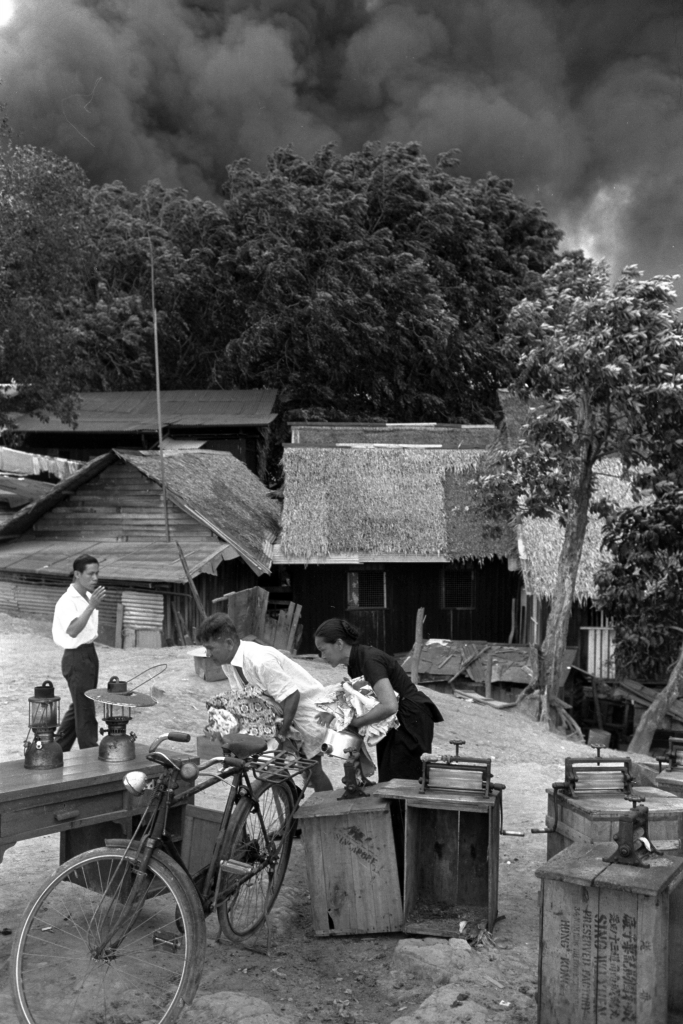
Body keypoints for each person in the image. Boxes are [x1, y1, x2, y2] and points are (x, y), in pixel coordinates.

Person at [196, 613, 333, 792]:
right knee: (270, 770)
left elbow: (292, 696)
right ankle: (290, 810)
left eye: (210, 648)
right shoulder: (228, 662)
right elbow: (244, 699)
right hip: (276, 712)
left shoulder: (260, 661)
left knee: (312, 772)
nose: (207, 654)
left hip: (306, 712)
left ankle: (326, 814)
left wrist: (281, 736)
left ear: (229, 643)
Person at [314, 618, 443, 783]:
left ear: (339, 643)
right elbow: (364, 699)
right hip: (394, 721)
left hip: (410, 718)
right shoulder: (355, 662)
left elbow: (389, 705)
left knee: (403, 784)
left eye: (323, 650)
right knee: (389, 779)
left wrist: (356, 722)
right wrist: (335, 713)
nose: (322, 656)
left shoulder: (369, 660)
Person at [52, 554, 106, 751]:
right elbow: (73, 630)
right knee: (85, 709)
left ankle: (57, 748)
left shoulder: (89, 597)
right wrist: (91, 607)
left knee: (80, 704)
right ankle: (90, 750)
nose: (95, 578)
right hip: (75, 656)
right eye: (90, 574)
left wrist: (91, 604)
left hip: (89, 653)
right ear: (77, 574)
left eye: (97, 574)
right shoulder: (67, 601)